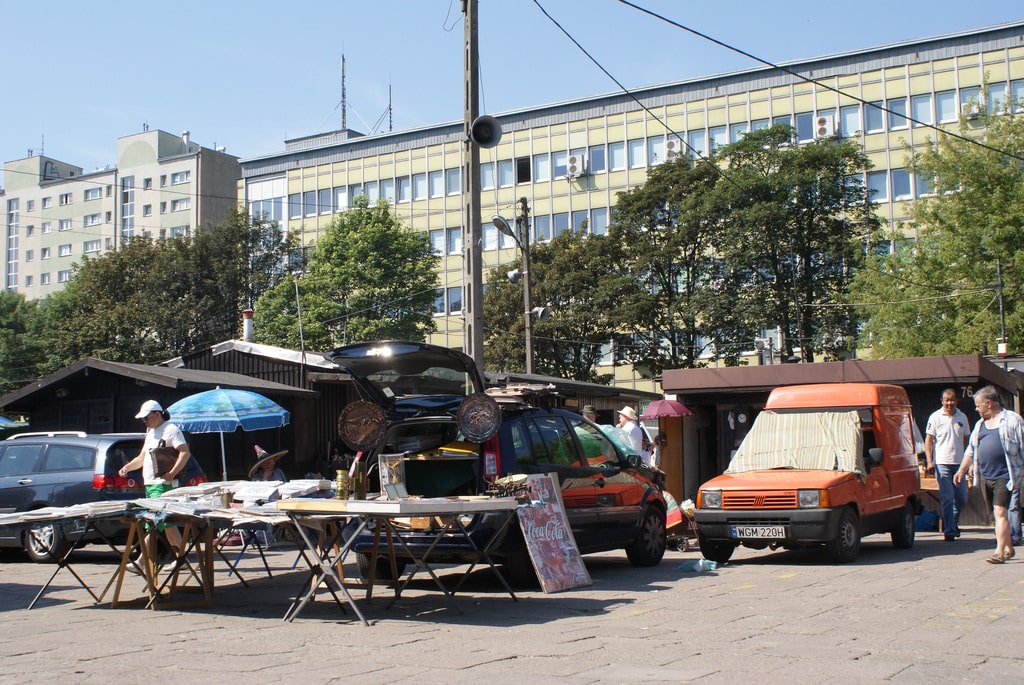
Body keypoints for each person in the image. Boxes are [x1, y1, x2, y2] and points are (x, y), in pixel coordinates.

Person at [954, 386, 1024, 564]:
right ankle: (1009, 547)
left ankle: (999, 552)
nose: (976, 409)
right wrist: (961, 470)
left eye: (978, 405)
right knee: (996, 514)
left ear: (988, 403)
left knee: (1001, 512)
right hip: (985, 476)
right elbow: (971, 450)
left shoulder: (1013, 420)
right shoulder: (979, 425)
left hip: (1006, 476)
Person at [118, 400, 191, 569]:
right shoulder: (150, 432)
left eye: (147, 417)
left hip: (163, 484)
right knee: (164, 524)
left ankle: (142, 561)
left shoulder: (171, 430)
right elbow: (142, 457)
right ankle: (182, 558)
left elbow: (185, 452)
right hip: (150, 484)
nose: (145, 421)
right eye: (143, 419)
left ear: (157, 414)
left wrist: (172, 473)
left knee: (157, 522)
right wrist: (128, 467)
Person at [924, 388, 970, 541]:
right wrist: (930, 461)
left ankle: (953, 522)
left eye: (952, 400)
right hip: (942, 463)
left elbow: (966, 440)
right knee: (947, 497)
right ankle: (949, 531)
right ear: (942, 401)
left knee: (961, 498)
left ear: (957, 400)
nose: (949, 403)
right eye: (946, 400)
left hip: (959, 464)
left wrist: (967, 462)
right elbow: (928, 441)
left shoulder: (962, 417)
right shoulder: (935, 417)